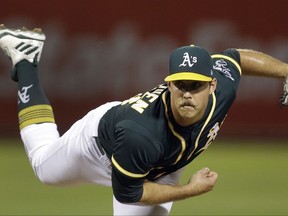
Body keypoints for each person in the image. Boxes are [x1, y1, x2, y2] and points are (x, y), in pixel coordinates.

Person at [0, 24, 287, 216]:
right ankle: (26, 60)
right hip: (101, 146)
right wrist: (190, 189)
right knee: (44, 169)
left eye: (195, 85)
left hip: (162, 164)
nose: (187, 93)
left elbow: (235, 57)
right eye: (180, 85)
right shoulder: (139, 133)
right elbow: (129, 193)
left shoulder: (224, 88)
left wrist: (286, 70)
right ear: (169, 84)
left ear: (212, 85)